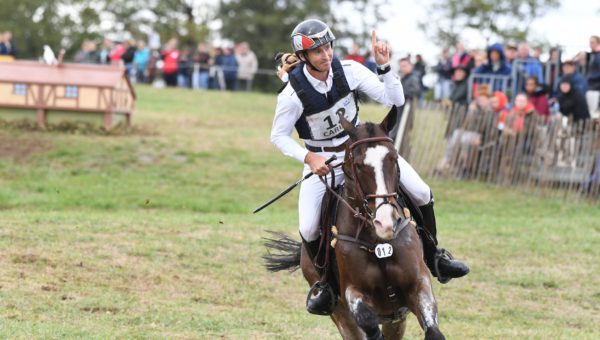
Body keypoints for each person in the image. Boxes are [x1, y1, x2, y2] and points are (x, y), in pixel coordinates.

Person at [271, 19, 469, 316]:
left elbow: (395, 99)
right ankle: (326, 284)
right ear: (303, 57)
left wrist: (385, 67)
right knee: (309, 226)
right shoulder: (291, 95)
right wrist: (308, 158)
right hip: (323, 160)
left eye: (328, 47)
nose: (326, 55)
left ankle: (435, 256)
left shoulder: (348, 70)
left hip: (363, 152)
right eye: (317, 52)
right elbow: (278, 136)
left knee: (422, 192)